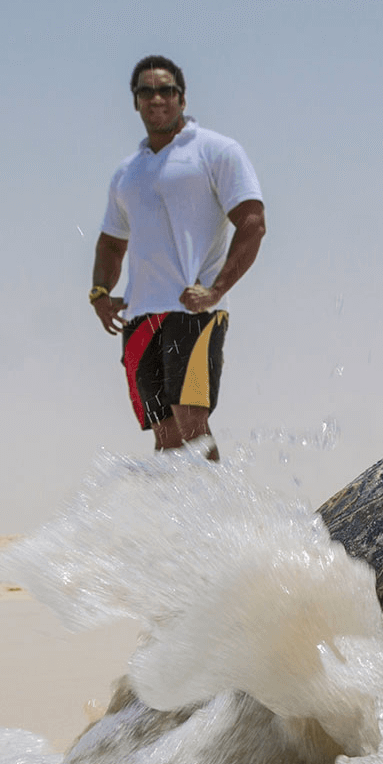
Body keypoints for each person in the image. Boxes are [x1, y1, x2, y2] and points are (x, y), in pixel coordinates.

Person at [90, 55, 266, 460]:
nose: (156, 99)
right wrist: (100, 291)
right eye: (146, 91)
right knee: (164, 435)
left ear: (182, 98)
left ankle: (218, 518)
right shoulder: (127, 172)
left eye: (166, 90)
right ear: (135, 102)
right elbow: (111, 243)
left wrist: (216, 289)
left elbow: (253, 222)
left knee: (192, 424)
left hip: (194, 312)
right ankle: (177, 524)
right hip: (140, 317)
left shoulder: (216, 151)